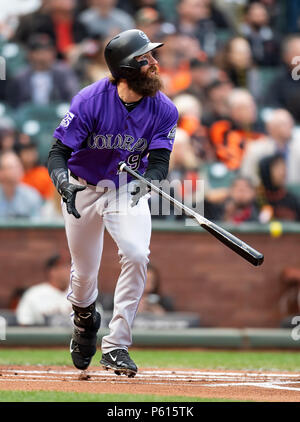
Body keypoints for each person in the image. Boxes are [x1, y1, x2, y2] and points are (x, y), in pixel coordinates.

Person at [47, 29, 178, 377]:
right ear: (125, 69)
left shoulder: (164, 108)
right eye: (145, 58)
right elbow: (58, 153)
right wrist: (62, 183)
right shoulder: (90, 100)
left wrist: (151, 181)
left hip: (125, 188)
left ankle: (117, 345)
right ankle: (85, 319)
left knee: (137, 254)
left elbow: (160, 161)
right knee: (84, 274)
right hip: (83, 188)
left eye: (153, 56)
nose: (154, 62)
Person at [5, 33, 80, 108]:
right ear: (30, 54)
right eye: (39, 51)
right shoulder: (20, 77)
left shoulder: (64, 73)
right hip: (29, 117)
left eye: (48, 51)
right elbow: (13, 104)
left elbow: (73, 97)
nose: (44, 55)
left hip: (58, 116)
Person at [241, 109, 300, 186]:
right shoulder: (256, 148)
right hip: (266, 193)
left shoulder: (298, 146)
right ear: (271, 128)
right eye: (283, 124)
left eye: (290, 123)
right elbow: (247, 175)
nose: (289, 127)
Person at [16, 254, 72, 326]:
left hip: (74, 336)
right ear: (52, 271)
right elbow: (24, 324)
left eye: (70, 265)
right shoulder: (34, 294)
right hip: (43, 337)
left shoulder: (80, 294)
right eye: (64, 266)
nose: (69, 269)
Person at [257, 153, 300, 222]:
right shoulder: (257, 199)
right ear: (266, 171)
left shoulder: (293, 200)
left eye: (283, 167)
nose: (283, 172)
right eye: (277, 168)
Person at [0, 150, 43, 219]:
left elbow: (37, 226)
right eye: (10, 167)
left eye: (17, 166)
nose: (15, 171)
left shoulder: (32, 196)